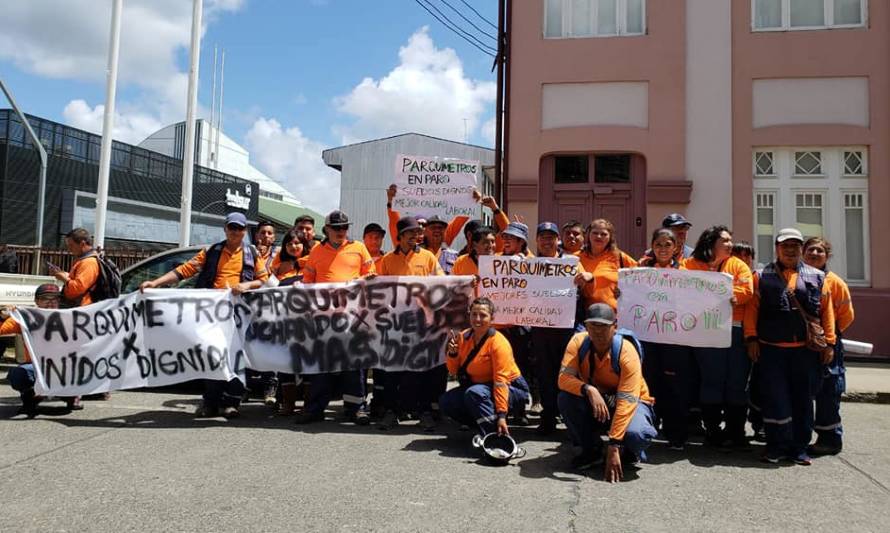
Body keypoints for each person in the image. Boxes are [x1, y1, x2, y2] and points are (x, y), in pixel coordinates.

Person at [139, 212, 269, 418]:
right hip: (211, 313)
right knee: (211, 356)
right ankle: (211, 401)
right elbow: (185, 270)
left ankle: (231, 401)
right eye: (232, 227)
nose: (235, 232)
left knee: (235, 357)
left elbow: (263, 280)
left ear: (245, 231)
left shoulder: (252, 253)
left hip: (238, 314)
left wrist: (245, 285)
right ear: (225, 229)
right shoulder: (211, 252)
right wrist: (154, 283)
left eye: (239, 228)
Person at [744, 228, 836, 465]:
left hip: (805, 352)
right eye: (785, 245)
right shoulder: (761, 275)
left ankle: (799, 448)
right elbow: (751, 311)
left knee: (802, 400)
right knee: (775, 399)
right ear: (777, 248)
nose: (790, 249)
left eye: (795, 245)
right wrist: (751, 339)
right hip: (771, 350)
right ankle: (776, 446)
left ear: (800, 248)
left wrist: (830, 343)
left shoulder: (818, 276)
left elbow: (826, 311)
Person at [557, 304, 657, 481]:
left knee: (638, 434)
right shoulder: (578, 342)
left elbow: (627, 400)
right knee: (566, 398)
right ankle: (591, 450)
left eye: (604, 326)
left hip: (631, 401)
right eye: (593, 326)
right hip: (599, 399)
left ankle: (629, 450)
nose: (598, 331)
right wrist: (588, 389)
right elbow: (563, 380)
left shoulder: (626, 351)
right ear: (586, 326)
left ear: (615, 326)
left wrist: (614, 444)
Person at [296, 210, 376, 425]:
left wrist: (364, 279)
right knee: (322, 366)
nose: (341, 231)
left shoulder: (359, 248)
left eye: (344, 227)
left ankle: (356, 408)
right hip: (325, 318)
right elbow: (308, 281)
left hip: (353, 317)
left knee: (355, 365)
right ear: (327, 230)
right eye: (337, 228)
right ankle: (315, 409)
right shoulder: (316, 251)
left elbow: (371, 274)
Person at [683, 225, 753, 448]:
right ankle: (712, 430)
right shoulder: (690, 264)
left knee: (736, 381)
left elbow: (747, 289)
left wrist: (734, 297)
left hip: (734, 329)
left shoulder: (737, 264)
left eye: (730, 240)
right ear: (711, 242)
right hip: (705, 330)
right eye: (725, 240)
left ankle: (736, 431)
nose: (730, 244)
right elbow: (680, 288)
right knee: (711, 379)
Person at [375, 216, 445, 431]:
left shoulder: (429, 257)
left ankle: (424, 412)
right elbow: (379, 288)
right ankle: (391, 411)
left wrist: (464, 282)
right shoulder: (387, 260)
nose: (417, 236)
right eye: (411, 233)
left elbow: (441, 281)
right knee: (391, 370)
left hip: (421, 321)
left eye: (418, 233)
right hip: (395, 322)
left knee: (420, 369)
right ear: (401, 236)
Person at [637, 228, 695, 450]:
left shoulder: (686, 272)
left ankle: (676, 435)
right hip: (647, 337)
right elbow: (630, 296)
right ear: (652, 246)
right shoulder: (640, 271)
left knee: (675, 387)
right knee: (649, 384)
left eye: (667, 245)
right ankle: (647, 430)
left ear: (676, 248)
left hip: (675, 339)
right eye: (658, 244)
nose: (662, 249)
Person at [439, 297, 530, 437]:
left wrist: (501, 415)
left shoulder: (499, 343)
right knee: (447, 401)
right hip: (480, 388)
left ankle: (493, 436)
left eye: (483, 315)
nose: (477, 319)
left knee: (475, 393)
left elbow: (501, 381)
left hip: (511, 388)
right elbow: (453, 371)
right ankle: (483, 423)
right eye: (474, 314)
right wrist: (453, 354)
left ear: (492, 318)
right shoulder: (463, 337)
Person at [530, 221, 584, 435]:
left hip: (565, 327)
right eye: (542, 236)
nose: (547, 240)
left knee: (567, 372)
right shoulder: (528, 264)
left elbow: (585, 284)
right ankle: (548, 415)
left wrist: (587, 278)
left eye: (551, 236)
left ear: (557, 240)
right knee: (544, 373)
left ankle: (569, 415)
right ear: (536, 240)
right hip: (541, 328)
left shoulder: (572, 262)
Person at [803, 237, 854, 456]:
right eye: (810, 249)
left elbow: (846, 316)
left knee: (829, 389)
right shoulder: (796, 277)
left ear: (827, 256)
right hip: (802, 343)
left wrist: (828, 337)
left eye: (819, 250)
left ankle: (830, 439)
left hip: (828, 343)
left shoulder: (835, 283)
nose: (814, 253)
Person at [2, 284, 82, 417]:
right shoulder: (25, 318)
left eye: (54, 298)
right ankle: (31, 396)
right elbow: (2, 330)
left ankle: (72, 395)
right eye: (45, 298)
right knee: (18, 375)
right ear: (36, 301)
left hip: (64, 367)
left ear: (59, 301)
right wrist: (3, 316)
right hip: (35, 367)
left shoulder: (70, 317)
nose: (50, 301)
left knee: (80, 368)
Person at [732, 241, 765, 441]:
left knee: (759, 383)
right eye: (739, 256)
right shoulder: (728, 279)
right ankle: (737, 426)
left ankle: (759, 423)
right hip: (737, 337)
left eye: (747, 256)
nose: (743, 260)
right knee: (739, 384)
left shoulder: (760, 278)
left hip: (760, 338)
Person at [576, 219, 638, 311]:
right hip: (583, 317)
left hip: (614, 315)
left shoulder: (619, 257)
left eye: (604, 234)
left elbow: (640, 279)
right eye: (595, 233)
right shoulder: (576, 258)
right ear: (588, 235)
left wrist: (626, 290)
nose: (599, 236)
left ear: (610, 237)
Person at [50, 228, 100, 308]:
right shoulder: (84, 260)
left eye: (71, 245)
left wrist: (63, 278)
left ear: (82, 244)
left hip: (81, 308)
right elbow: (79, 282)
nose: (69, 249)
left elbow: (77, 288)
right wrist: (66, 275)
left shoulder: (89, 262)